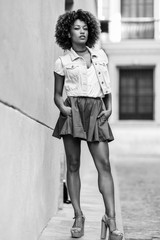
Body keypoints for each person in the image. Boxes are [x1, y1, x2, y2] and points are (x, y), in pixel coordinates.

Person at [53, 9, 123, 240]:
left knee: (104, 164)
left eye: (85, 28)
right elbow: (57, 94)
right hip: (72, 110)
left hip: (95, 109)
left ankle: (111, 219)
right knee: (73, 165)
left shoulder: (100, 56)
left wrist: (109, 105)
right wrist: (63, 109)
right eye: (76, 28)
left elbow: (107, 86)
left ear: (90, 31)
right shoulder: (62, 61)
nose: (82, 32)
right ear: (68, 32)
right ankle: (78, 216)